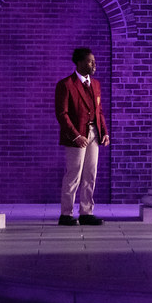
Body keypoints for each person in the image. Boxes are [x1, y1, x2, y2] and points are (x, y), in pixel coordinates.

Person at [55, 47, 110, 226]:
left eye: (94, 61)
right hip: (76, 136)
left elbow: (99, 110)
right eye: (89, 61)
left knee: (90, 174)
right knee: (74, 174)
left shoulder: (95, 85)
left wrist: (105, 132)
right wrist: (75, 135)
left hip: (94, 134)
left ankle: (87, 212)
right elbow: (62, 114)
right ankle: (66, 213)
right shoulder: (66, 85)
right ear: (79, 62)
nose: (94, 64)